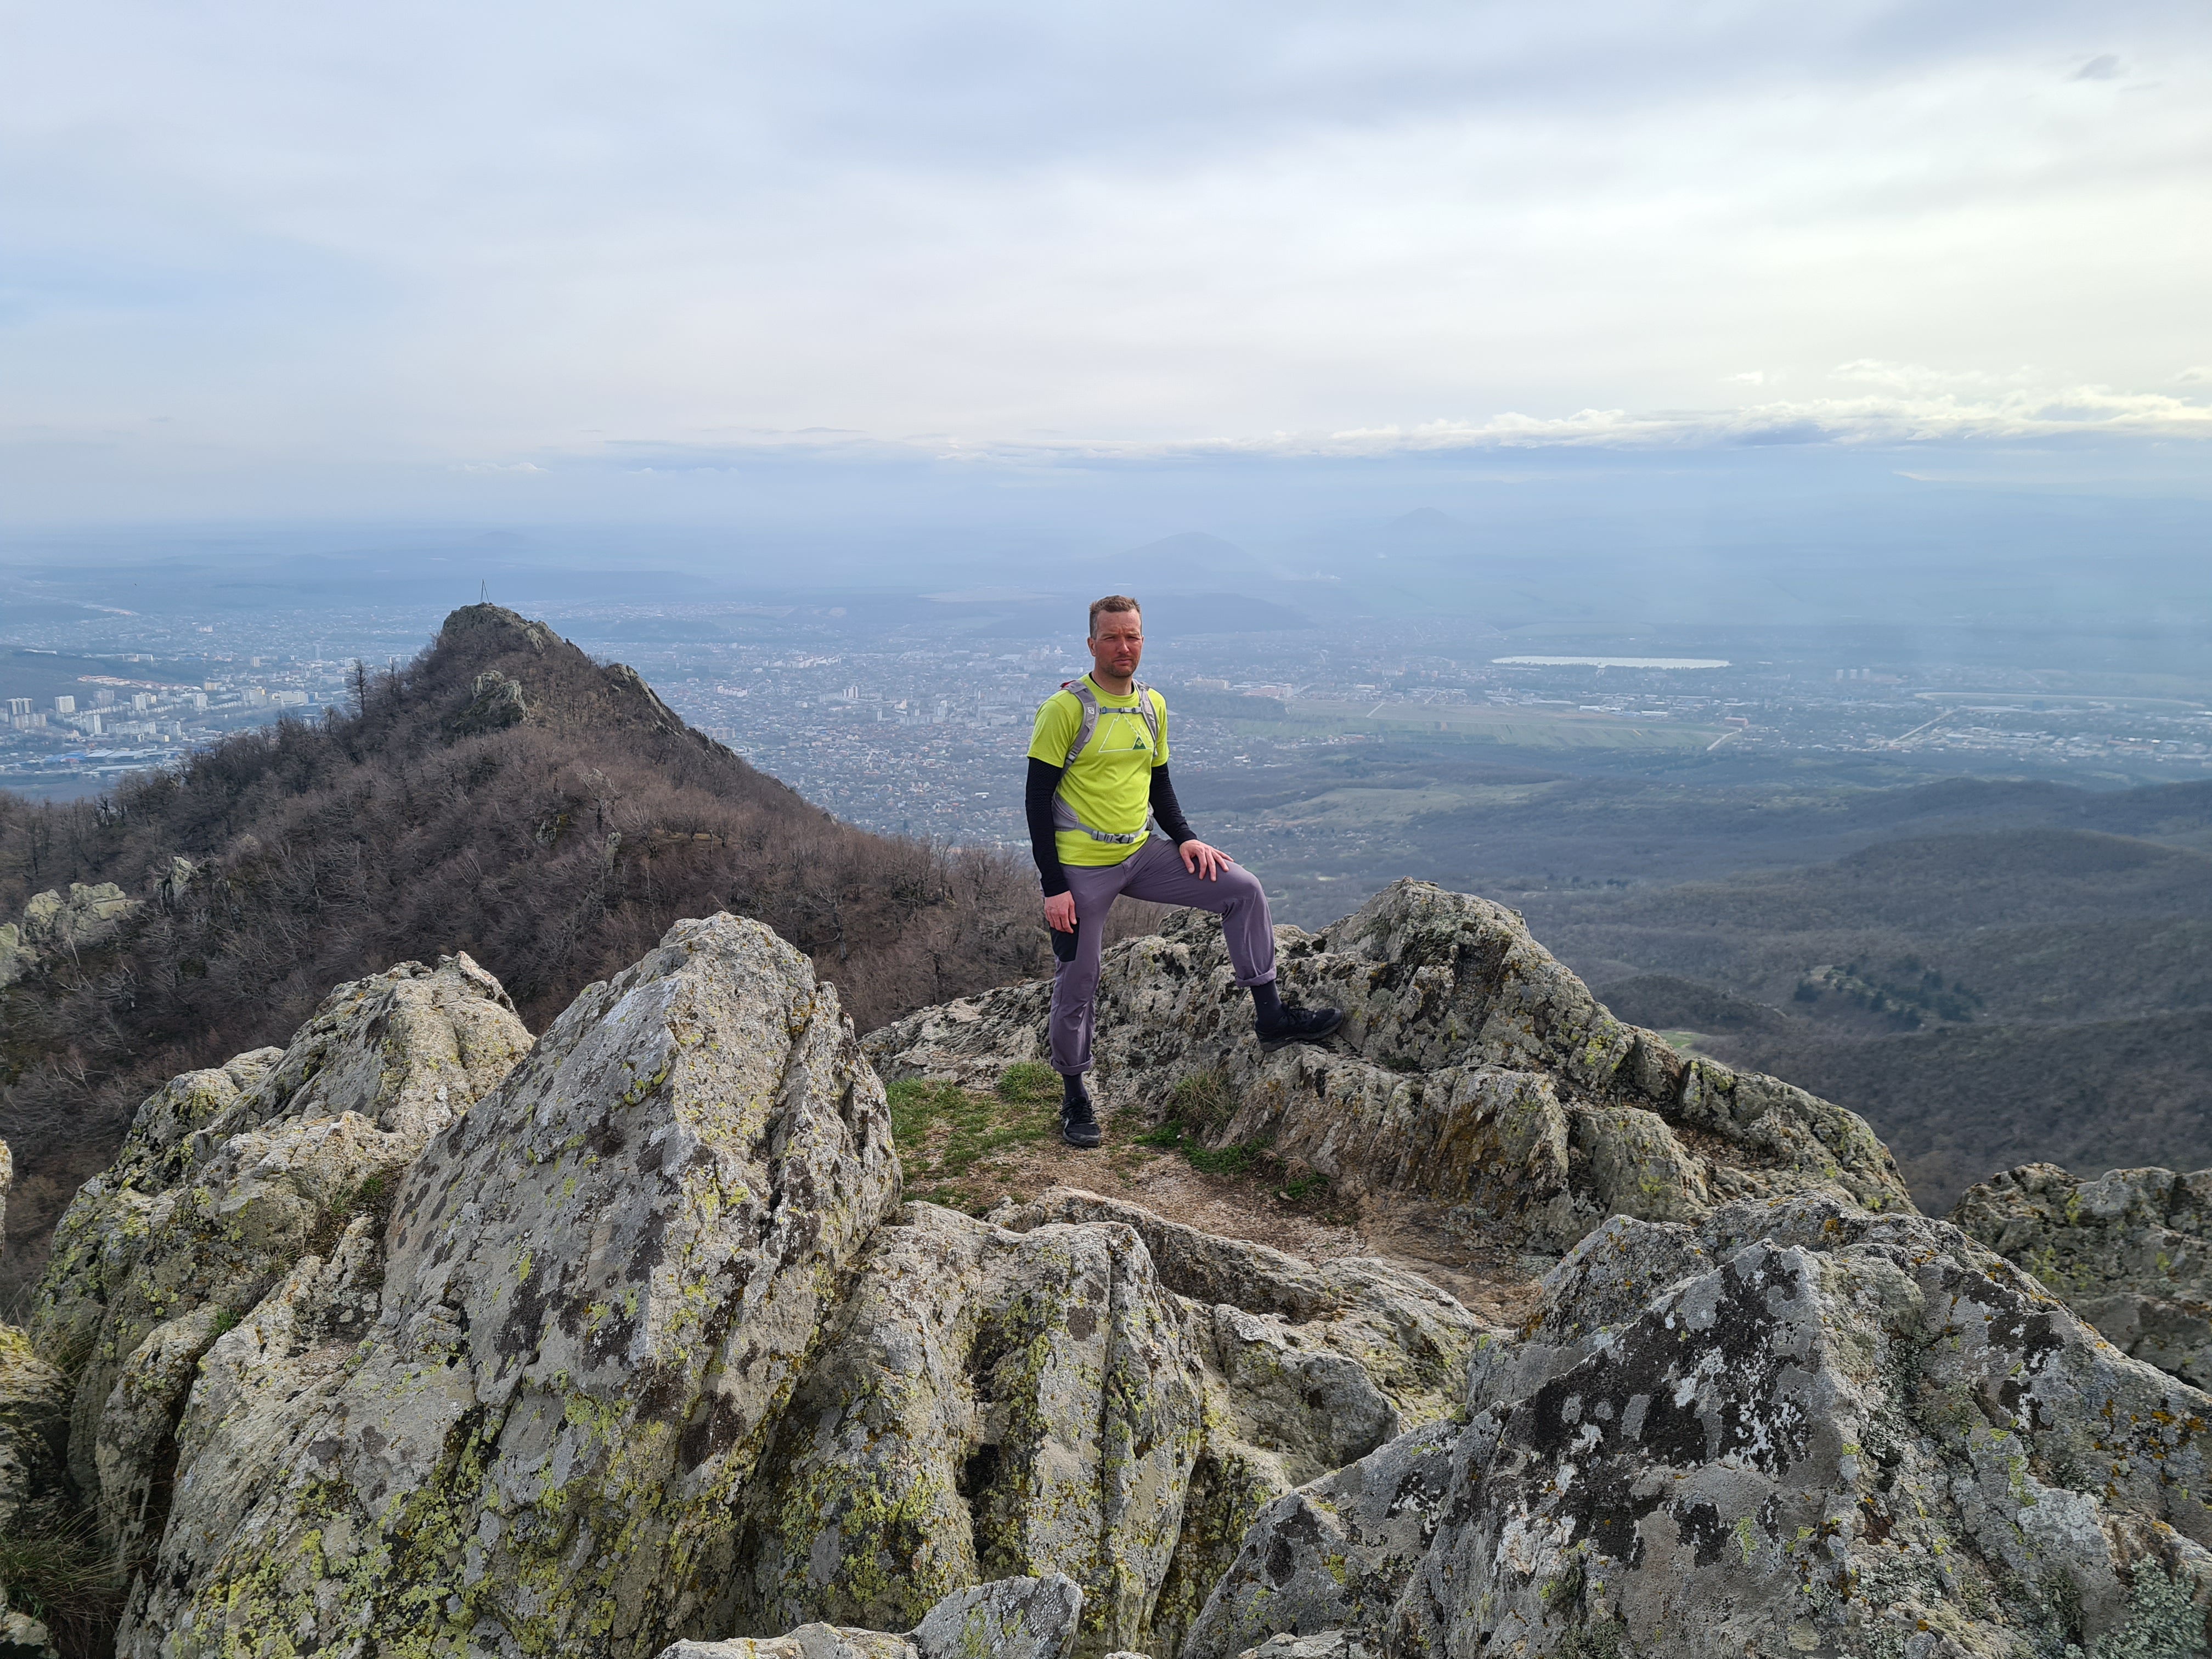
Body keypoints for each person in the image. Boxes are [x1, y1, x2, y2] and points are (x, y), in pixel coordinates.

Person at [1026, 595, 1343, 1148]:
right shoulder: (1066, 710)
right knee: (1079, 977)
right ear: (1092, 644)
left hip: (1142, 852)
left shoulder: (1152, 705)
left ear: (1143, 640)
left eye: (1132, 636)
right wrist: (1054, 887)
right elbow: (1036, 800)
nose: (1123, 647)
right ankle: (1075, 1094)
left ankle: (1271, 1016)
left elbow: (1160, 782)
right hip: (1081, 866)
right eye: (1112, 637)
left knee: (1242, 889)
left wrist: (1186, 838)